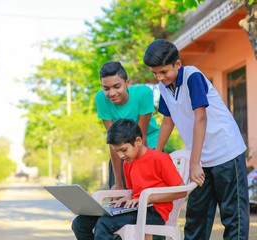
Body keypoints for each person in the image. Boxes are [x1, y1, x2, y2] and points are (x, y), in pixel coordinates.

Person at [143, 39, 249, 239]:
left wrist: (193, 163)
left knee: (233, 217)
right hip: (200, 159)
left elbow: (201, 118)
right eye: (154, 73)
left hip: (226, 152)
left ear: (177, 64)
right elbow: (167, 122)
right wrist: (155, 156)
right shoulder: (164, 87)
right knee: (195, 218)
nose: (159, 77)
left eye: (163, 72)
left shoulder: (193, 76)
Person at [71, 119, 186, 240]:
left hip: (155, 211)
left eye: (123, 150)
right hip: (136, 208)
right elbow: (134, 191)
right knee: (80, 223)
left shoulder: (160, 159)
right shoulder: (127, 163)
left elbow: (181, 191)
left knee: (105, 223)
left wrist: (147, 198)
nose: (121, 156)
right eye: (117, 151)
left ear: (138, 141)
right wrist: (128, 198)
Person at [95, 61, 160, 190]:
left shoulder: (143, 93)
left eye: (116, 86)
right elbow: (114, 142)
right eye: (106, 88)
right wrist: (118, 183)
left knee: (143, 192)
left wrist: (142, 176)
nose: (111, 93)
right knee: (118, 193)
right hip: (122, 149)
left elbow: (141, 140)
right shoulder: (101, 98)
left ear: (128, 83)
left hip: (148, 145)